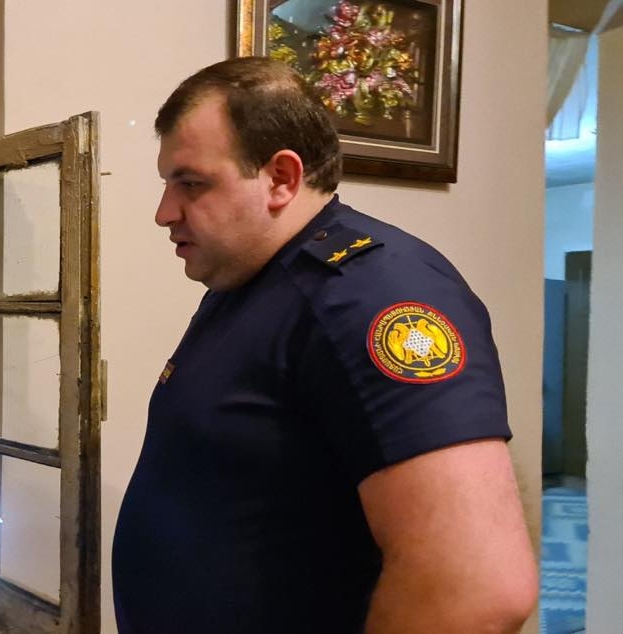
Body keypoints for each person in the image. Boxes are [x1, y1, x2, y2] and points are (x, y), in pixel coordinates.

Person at [112, 57, 538, 633]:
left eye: (191, 184)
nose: (165, 213)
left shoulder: (371, 294)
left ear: (281, 179)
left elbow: (478, 591)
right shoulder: (252, 280)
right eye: (167, 184)